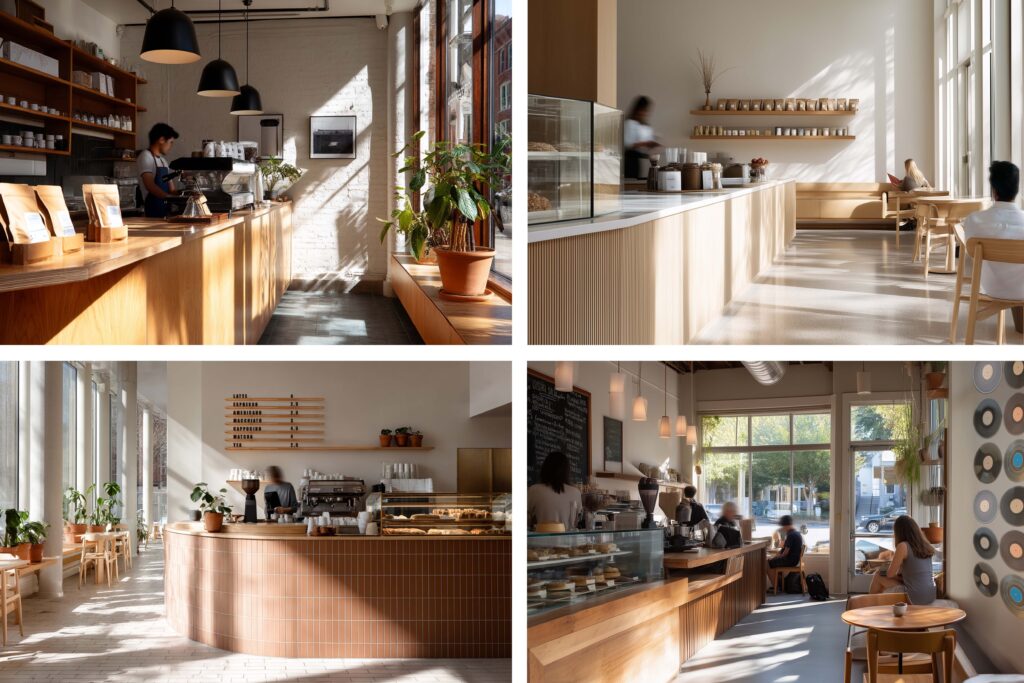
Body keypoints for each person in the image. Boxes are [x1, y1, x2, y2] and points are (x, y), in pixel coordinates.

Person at [962, 161, 1024, 334]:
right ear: (1017, 190)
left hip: (991, 288)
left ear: (994, 191)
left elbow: (970, 253)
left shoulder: (974, 220)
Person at [868, 515, 937, 605]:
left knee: (878, 576)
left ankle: (869, 606)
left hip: (915, 597)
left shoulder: (903, 546)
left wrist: (882, 571)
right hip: (931, 594)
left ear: (899, 532)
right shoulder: (925, 545)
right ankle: (879, 606)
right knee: (887, 582)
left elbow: (890, 574)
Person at [527, 451, 582, 530]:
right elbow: (576, 522)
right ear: (566, 471)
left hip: (540, 540)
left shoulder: (534, 490)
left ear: (545, 468)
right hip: (568, 540)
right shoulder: (576, 492)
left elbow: (527, 519)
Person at [138, 123, 181, 217]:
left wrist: (186, 194)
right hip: (151, 215)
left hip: (165, 213)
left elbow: (172, 189)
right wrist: (168, 197)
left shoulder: (163, 161)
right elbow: (150, 185)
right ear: (161, 140)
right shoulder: (146, 156)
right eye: (170, 142)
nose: (171, 146)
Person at [624, 96, 661, 179]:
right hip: (631, 160)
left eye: (646, 111)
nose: (645, 113)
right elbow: (627, 144)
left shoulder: (645, 125)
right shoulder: (629, 123)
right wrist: (646, 143)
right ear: (637, 109)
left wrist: (652, 143)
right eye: (643, 110)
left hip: (643, 159)